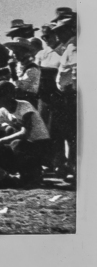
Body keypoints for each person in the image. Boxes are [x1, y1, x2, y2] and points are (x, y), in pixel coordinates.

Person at [0, 81, 50, 187]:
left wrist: (1, 141)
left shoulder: (24, 106)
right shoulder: (1, 111)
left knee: (16, 143)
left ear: (9, 96)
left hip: (40, 144)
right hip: (26, 145)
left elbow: (25, 133)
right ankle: (17, 174)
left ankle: (33, 174)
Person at [51, 11, 77, 178]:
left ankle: (75, 169)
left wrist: (73, 88)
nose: (58, 35)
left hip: (73, 95)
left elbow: (75, 69)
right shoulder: (69, 46)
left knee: (73, 134)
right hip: (70, 94)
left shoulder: (73, 45)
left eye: (61, 31)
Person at [4, 38, 41, 103]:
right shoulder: (18, 65)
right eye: (14, 52)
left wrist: (13, 71)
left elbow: (21, 87)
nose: (15, 54)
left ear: (25, 52)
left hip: (27, 101)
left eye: (18, 52)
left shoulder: (32, 69)